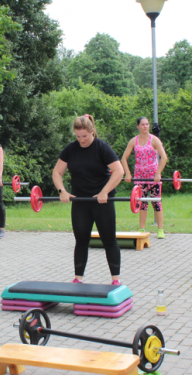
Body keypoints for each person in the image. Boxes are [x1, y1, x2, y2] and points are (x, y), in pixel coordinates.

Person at [52, 115, 124, 284]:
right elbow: (57, 172)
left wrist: (105, 191)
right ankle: (78, 279)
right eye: (78, 136)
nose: (81, 140)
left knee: (109, 240)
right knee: (81, 241)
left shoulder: (102, 147)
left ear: (92, 132)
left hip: (102, 201)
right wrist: (62, 191)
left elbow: (119, 171)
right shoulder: (71, 149)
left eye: (84, 136)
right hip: (80, 201)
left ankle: (115, 280)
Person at [120, 117, 169, 238]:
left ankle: (160, 229)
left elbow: (164, 157)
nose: (145, 126)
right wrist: (127, 173)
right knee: (142, 203)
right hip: (139, 177)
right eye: (143, 124)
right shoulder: (134, 141)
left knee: (156, 202)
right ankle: (141, 228)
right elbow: (123, 158)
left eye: (147, 124)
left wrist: (158, 173)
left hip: (153, 176)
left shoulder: (154, 140)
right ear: (138, 126)